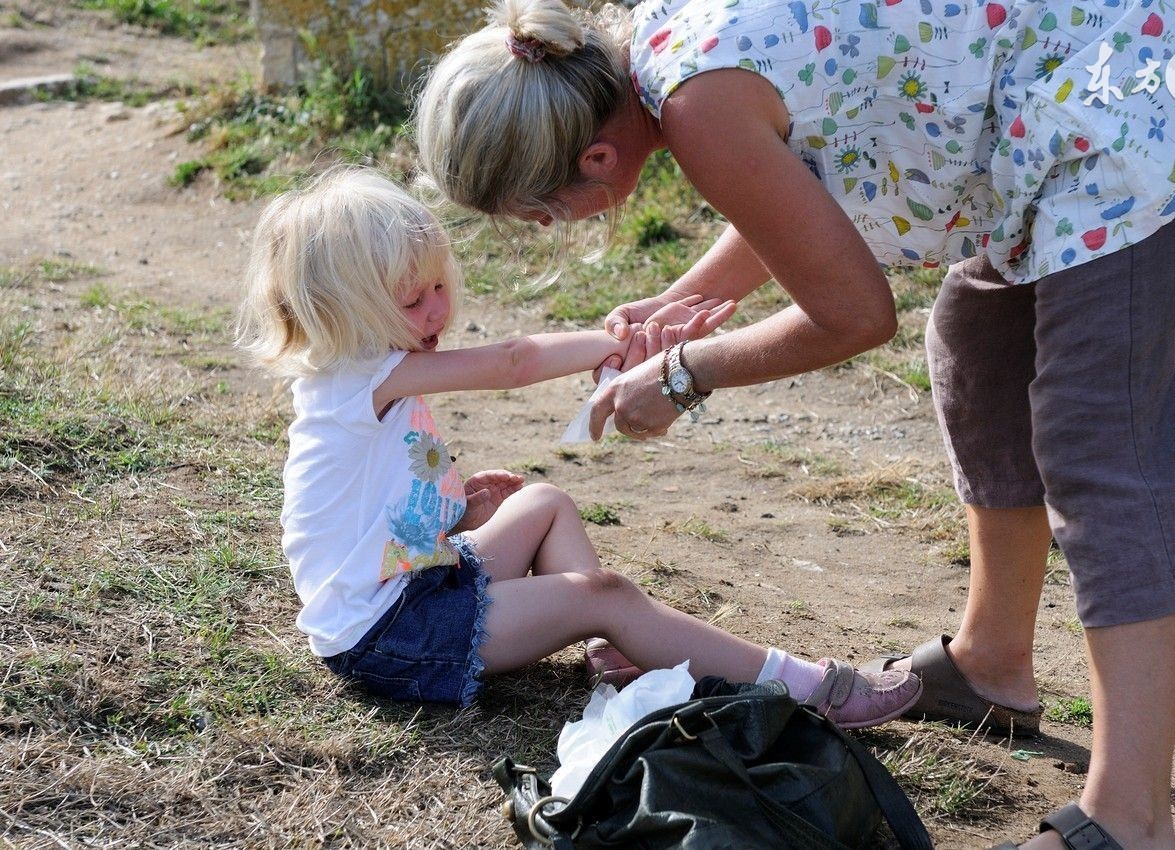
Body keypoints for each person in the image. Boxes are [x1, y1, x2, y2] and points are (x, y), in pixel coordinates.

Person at [415, 0, 1175, 846]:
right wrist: (685, 301)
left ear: (595, 156)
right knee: (980, 341)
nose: (565, 228)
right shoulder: (659, 53)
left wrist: (684, 374)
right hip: (1053, 84)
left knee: (1103, 430)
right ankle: (991, 664)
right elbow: (796, 174)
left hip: (1133, 75)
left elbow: (855, 315)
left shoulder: (696, 106)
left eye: (547, 214)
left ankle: (1129, 818)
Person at [235, 166, 922, 727]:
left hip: (416, 591)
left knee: (545, 502)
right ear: (341, 313)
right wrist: (617, 345)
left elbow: (358, 519)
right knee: (605, 591)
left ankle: (613, 652)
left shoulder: (366, 377)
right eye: (414, 301)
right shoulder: (360, 378)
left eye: (439, 286)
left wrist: (461, 510)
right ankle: (806, 687)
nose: (438, 311)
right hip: (392, 636)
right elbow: (512, 362)